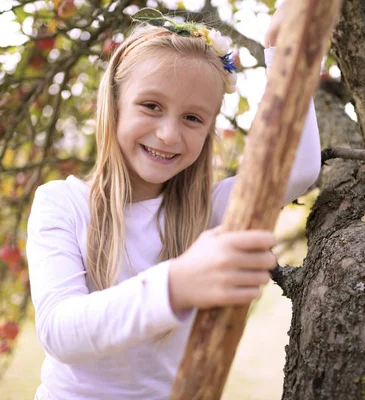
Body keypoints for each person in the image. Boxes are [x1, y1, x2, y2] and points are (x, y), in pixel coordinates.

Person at [26, 4, 321, 399]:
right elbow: (61, 332)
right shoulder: (62, 203)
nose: (168, 134)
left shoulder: (211, 212)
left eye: (193, 118)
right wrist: (176, 285)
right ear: (113, 105)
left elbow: (297, 169)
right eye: (151, 106)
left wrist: (285, 55)